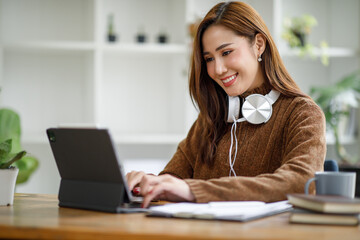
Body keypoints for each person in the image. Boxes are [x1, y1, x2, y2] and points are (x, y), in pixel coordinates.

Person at [126, 1, 326, 208]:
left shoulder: (303, 114)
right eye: (209, 58)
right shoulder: (212, 118)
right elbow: (173, 178)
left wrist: (195, 191)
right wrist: (147, 183)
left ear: (259, 45)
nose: (218, 69)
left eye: (226, 52)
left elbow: (300, 182)